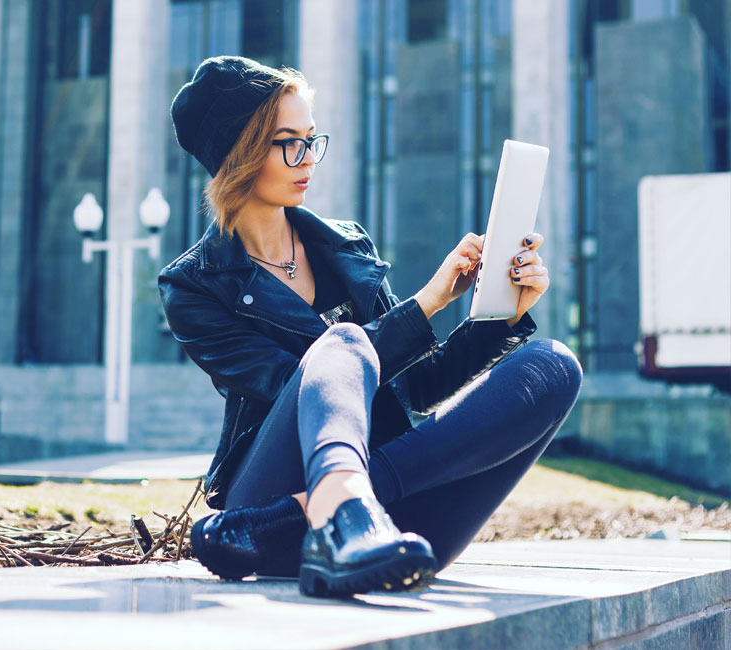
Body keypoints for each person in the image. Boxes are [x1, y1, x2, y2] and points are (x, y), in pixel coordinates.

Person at [158, 56, 582, 598]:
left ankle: (322, 512)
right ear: (238, 154)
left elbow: (415, 390)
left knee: (553, 364)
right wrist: (426, 303)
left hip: (360, 526)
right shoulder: (195, 287)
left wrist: (502, 316)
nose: (306, 158)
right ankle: (332, 504)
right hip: (273, 482)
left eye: (312, 139)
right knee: (342, 343)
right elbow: (300, 383)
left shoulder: (345, 247)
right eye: (288, 142)